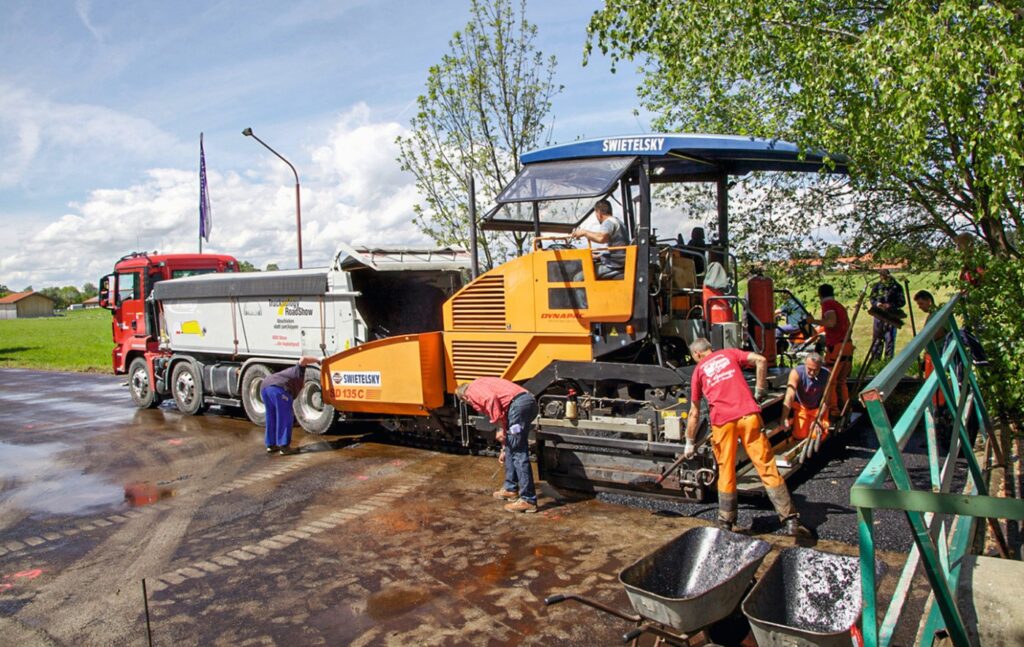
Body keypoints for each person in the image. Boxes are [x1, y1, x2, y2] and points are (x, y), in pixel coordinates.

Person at [682, 338, 809, 537]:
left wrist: (689, 442)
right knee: (766, 465)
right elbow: (760, 360)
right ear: (710, 348)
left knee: (726, 469)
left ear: (697, 355)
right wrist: (759, 390)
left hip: (723, 423)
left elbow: (694, 413)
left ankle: (726, 521)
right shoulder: (729, 354)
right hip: (748, 416)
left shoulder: (698, 371)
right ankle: (791, 520)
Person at [456, 377, 540, 513]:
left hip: (518, 406)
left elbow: (491, 399)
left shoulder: (472, 390)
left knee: (519, 452)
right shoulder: (482, 383)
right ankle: (510, 489)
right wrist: (503, 449)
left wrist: (499, 428)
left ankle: (528, 500)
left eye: (468, 403)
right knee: (512, 447)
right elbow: (505, 416)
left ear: (465, 398)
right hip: (526, 404)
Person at [807, 284, 853, 417]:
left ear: (820, 294)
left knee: (830, 380)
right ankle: (846, 407)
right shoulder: (839, 306)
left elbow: (831, 322)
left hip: (837, 347)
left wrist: (813, 321)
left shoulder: (828, 305)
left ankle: (834, 410)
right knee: (842, 380)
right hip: (847, 346)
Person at [262, 356, 320, 455]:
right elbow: (303, 359)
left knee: (271, 416)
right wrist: (318, 360)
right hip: (278, 389)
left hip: (265, 386)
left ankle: (271, 445)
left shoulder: (291, 377)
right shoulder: (298, 370)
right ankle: (284, 447)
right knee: (285, 417)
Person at [570, 199, 627, 280]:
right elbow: (603, 237)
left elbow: (601, 238)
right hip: (619, 261)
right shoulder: (617, 221)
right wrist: (600, 256)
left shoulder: (608, 222)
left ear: (599, 213)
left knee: (578, 279)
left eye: (596, 214)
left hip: (615, 265)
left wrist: (584, 233)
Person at [780, 353, 830, 441]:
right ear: (805, 364)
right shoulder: (796, 372)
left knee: (817, 435)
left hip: (817, 408)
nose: (812, 373)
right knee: (799, 435)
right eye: (809, 369)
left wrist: (818, 418)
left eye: (816, 370)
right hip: (802, 407)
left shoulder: (826, 374)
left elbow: (826, 399)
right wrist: (784, 418)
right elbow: (790, 396)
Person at [868, 269, 905, 361]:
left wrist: (891, 305)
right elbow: (872, 299)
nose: (883, 278)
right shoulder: (877, 286)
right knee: (877, 338)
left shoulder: (896, 287)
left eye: (885, 276)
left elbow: (902, 301)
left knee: (890, 339)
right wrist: (877, 304)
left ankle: (888, 360)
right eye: (881, 276)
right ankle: (875, 360)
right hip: (878, 315)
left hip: (891, 316)